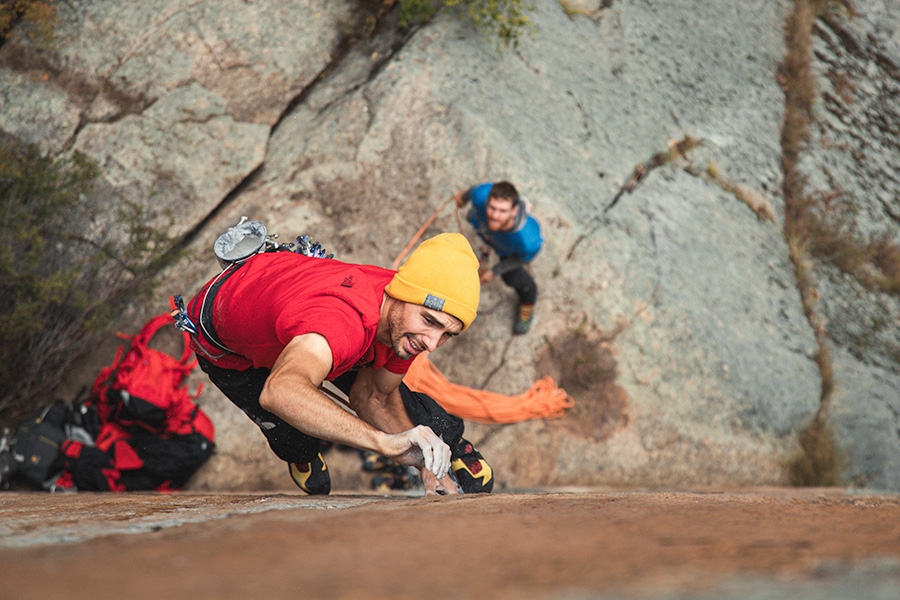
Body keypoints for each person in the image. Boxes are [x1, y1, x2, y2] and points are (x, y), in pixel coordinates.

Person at [178, 232, 493, 495]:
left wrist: (424, 464)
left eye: (447, 335)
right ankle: (300, 454)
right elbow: (281, 391)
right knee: (293, 430)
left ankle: (443, 448)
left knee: (396, 395)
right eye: (429, 321)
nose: (433, 343)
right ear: (402, 295)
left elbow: (373, 396)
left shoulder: (403, 315)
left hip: (284, 299)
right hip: (224, 337)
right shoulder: (344, 320)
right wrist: (384, 442)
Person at [453, 181, 544, 334]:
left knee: (512, 278)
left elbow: (522, 258)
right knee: (473, 218)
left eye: (502, 211)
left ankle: (528, 301)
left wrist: (495, 271)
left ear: (514, 211)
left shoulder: (528, 240)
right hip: (487, 233)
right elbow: (474, 190)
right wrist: (463, 197)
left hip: (507, 249)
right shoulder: (482, 195)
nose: (494, 215)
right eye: (492, 208)